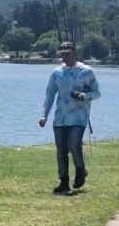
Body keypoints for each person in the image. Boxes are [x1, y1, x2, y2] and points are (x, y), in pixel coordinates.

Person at [39, 41, 100, 194]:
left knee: (74, 145)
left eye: (68, 53)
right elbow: (50, 94)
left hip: (79, 117)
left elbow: (97, 92)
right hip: (60, 117)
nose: (65, 56)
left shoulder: (86, 71)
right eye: (63, 53)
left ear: (74, 52)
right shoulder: (56, 73)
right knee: (61, 151)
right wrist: (43, 115)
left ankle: (80, 169)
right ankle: (63, 181)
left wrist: (84, 96)